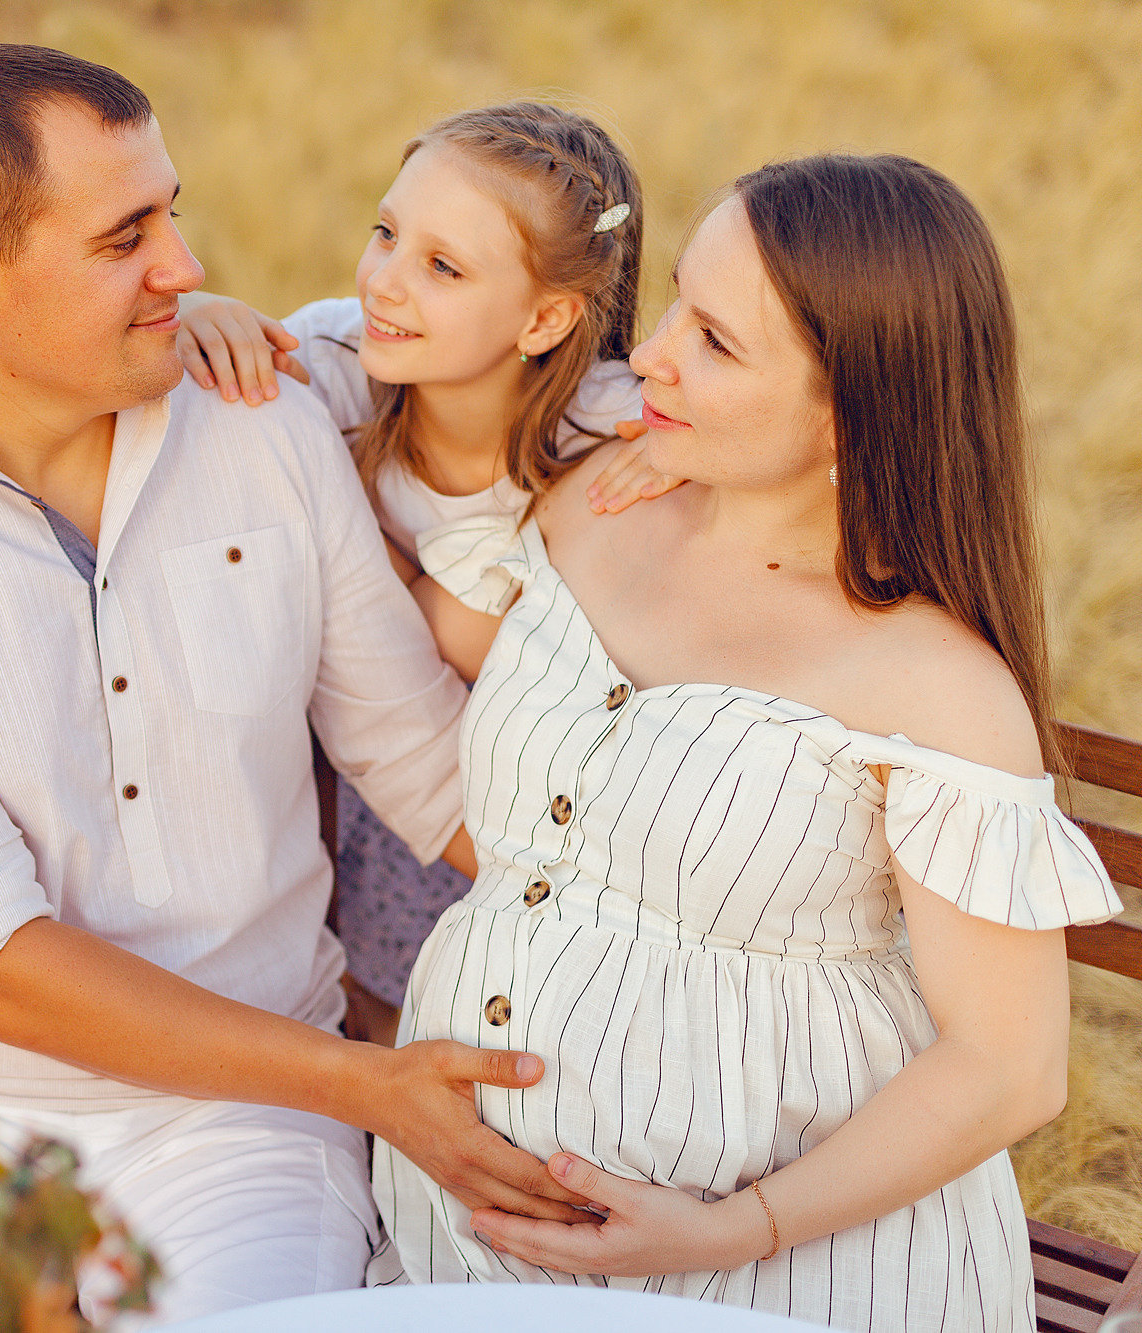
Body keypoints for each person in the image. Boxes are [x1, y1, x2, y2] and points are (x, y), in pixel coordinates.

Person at [0, 44, 589, 1326]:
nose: (184, 265)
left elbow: (421, 765)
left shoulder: (262, 419)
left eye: (170, 213)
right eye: (125, 237)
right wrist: (368, 1086)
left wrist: (700, 927)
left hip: (245, 1114)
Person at [377, 153, 1122, 1331]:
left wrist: (736, 1226)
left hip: (774, 1263)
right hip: (458, 1223)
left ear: (852, 411)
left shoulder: (932, 685)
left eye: (715, 343)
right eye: (676, 299)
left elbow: (1007, 1068)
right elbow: (395, 618)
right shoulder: (591, 500)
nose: (649, 354)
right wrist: (264, 357)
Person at [173, 103, 670, 1043]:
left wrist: (690, 452)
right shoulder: (329, 366)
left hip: (558, 789)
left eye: (443, 267)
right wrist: (197, 318)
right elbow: (204, 384)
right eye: (386, 233)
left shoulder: (609, 429)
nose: (384, 283)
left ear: (545, 319)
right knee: (399, 1004)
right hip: (385, 761)